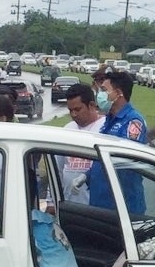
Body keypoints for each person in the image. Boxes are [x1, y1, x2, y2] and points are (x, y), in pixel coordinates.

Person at [86, 70, 149, 212]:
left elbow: (125, 159)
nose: (100, 95)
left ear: (119, 93)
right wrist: (87, 176)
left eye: (104, 90)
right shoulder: (109, 120)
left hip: (123, 206)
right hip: (101, 202)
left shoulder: (132, 121)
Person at [60, 82, 104, 203]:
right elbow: (57, 167)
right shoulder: (67, 130)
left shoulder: (105, 129)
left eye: (78, 109)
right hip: (70, 205)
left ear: (92, 105)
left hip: (96, 206)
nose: (74, 114)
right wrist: (51, 200)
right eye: (70, 110)